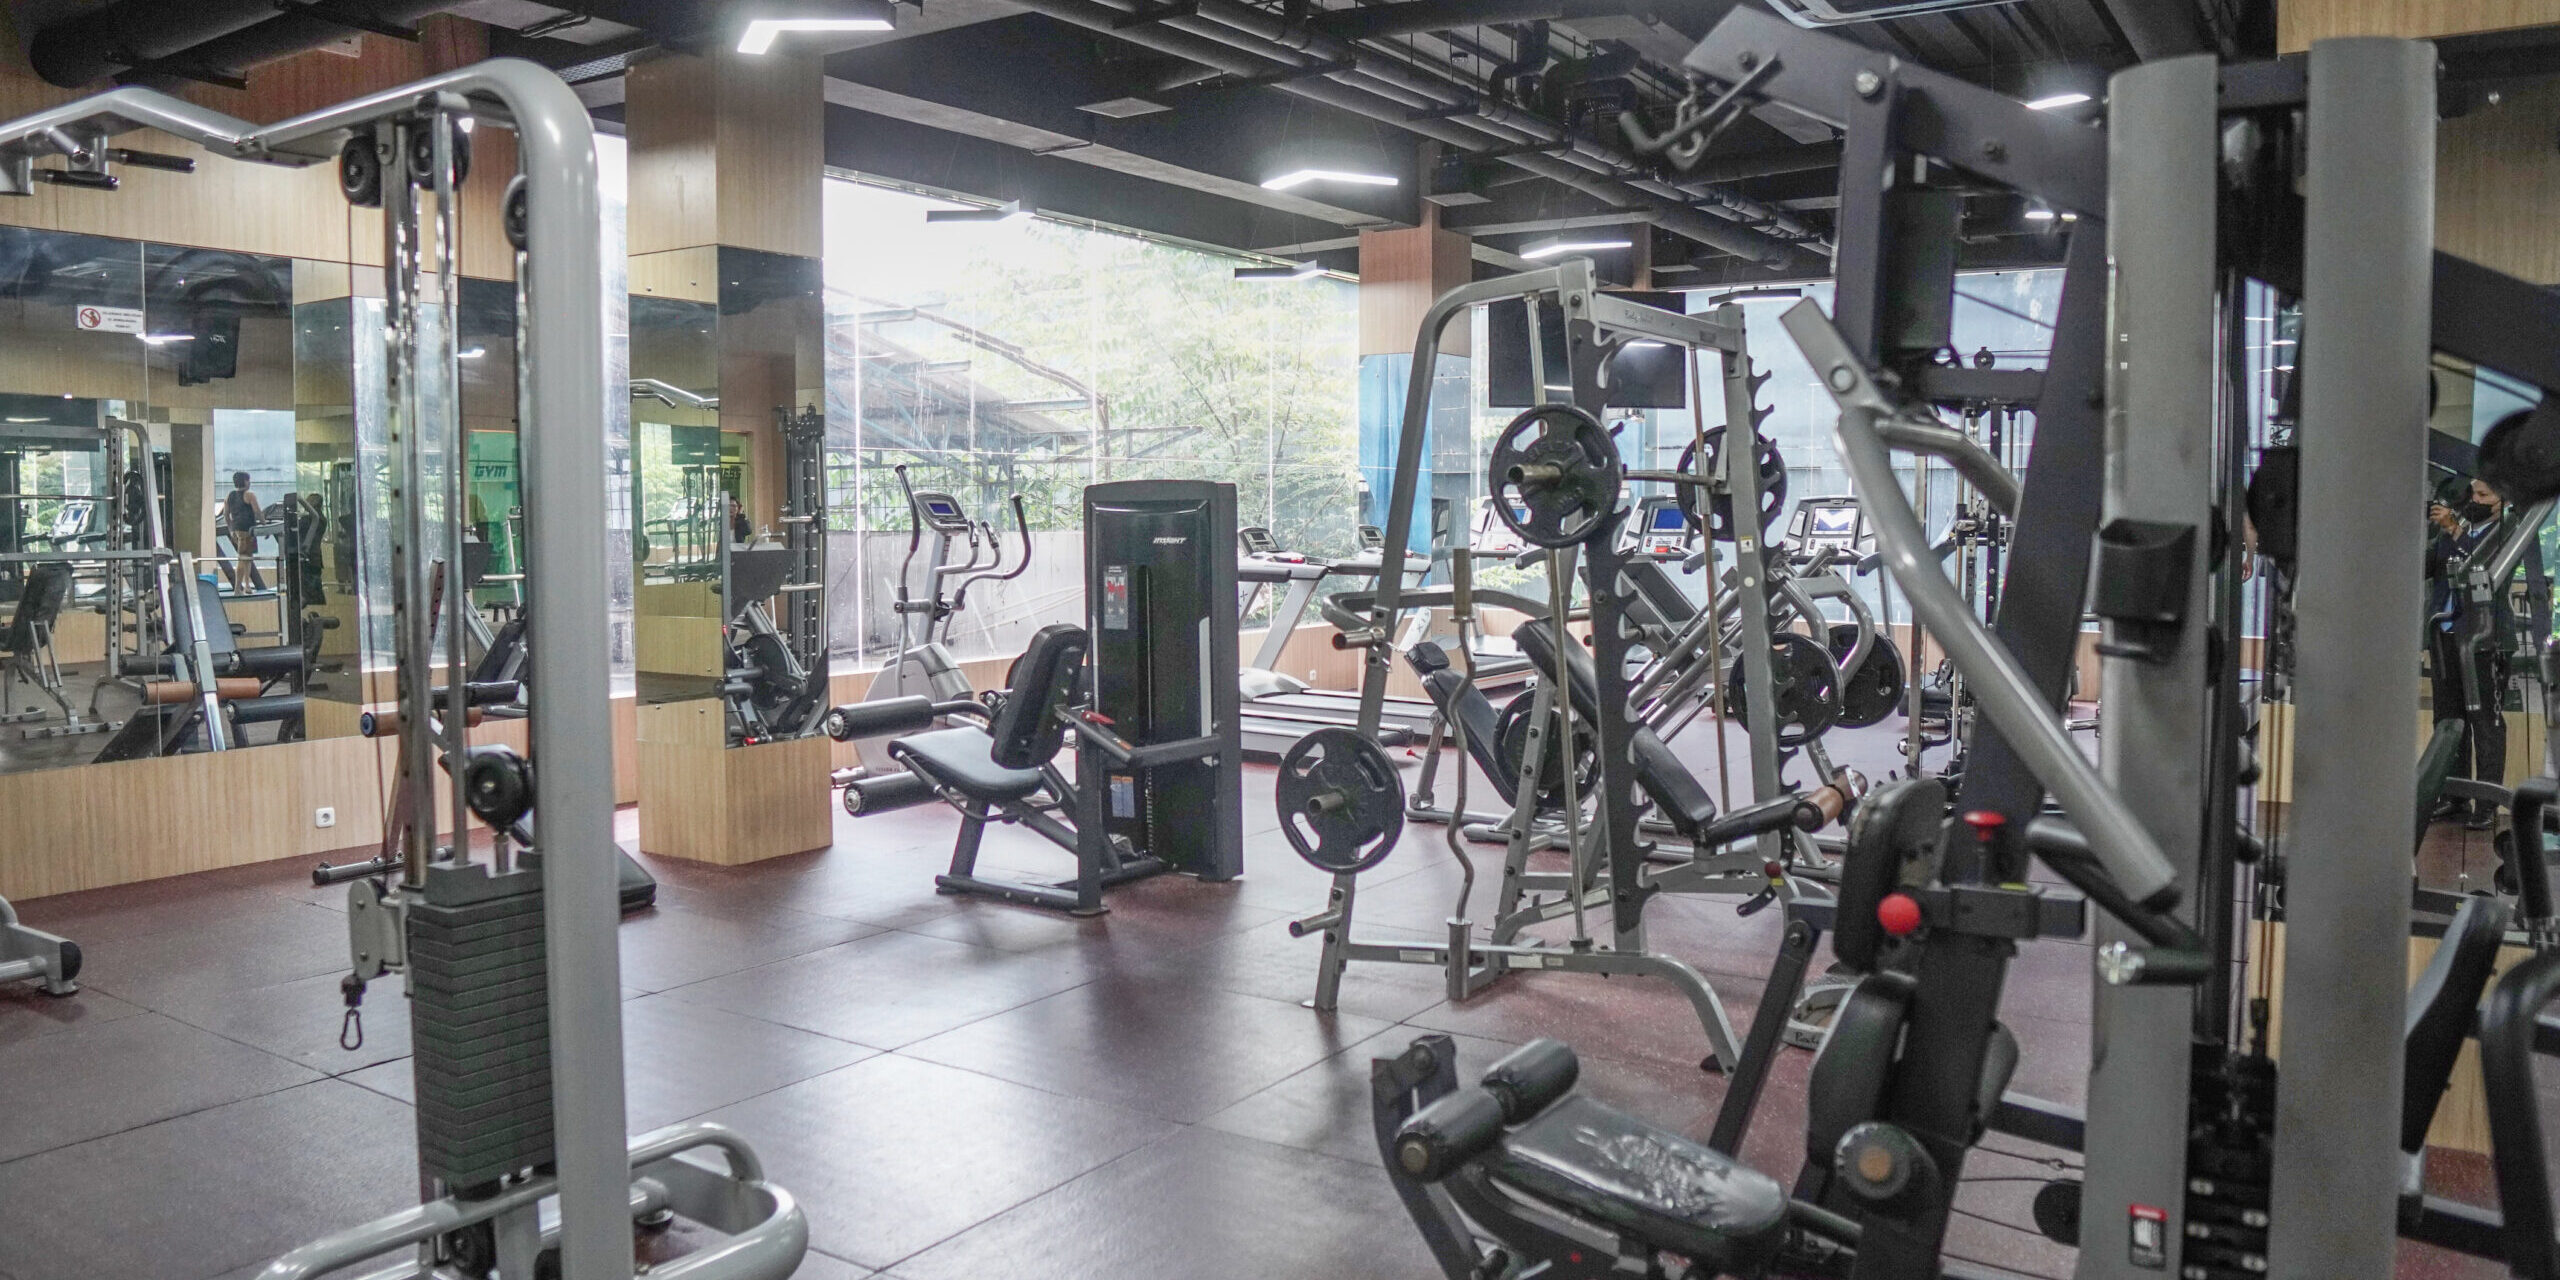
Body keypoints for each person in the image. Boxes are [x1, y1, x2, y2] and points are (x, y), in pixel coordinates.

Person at [2426, 476, 2514, 829]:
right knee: (2450, 720)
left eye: (2483, 495)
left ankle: (2487, 802)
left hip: (2484, 639)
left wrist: (2455, 531)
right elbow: (2427, 566)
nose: (2474, 500)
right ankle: (2454, 794)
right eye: (2472, 494)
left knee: (2486, 723)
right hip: (2445, 636)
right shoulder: (2454, 531)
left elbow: (2481, 571)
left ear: (2502, 500)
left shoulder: (2508, 531)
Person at [221, 470, 267, 592]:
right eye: (248, 480)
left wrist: (231, 530)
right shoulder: (249, 495)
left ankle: (247, 585)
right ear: (245, 481)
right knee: (242, 558)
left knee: (248, 557)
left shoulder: (229, 495)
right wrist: (265, 524)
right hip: (247, 529)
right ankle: (237, 588)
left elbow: (226, 514)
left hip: (237, 529)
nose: (249, 482)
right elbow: (258, 512)